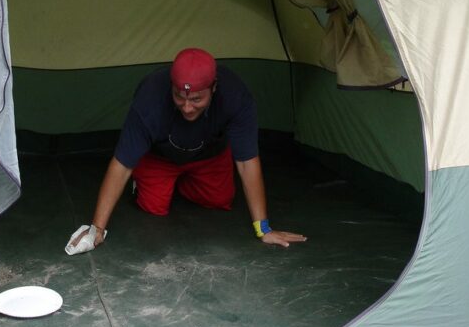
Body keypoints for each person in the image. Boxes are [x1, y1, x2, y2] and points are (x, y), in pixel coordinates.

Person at [65, 47, 306, 254]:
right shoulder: (149, 97)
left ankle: (180, 183)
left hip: (209, 155)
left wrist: (263, 229)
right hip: (159, 158)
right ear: (172, 86)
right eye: (180, 97)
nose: (188, 108)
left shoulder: (236, 96)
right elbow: (122, 164)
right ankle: (147, 183)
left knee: (220, 200)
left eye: (197, 100)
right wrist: (96, 228)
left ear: (214, 88)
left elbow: (246, 162)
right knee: (154, 207)